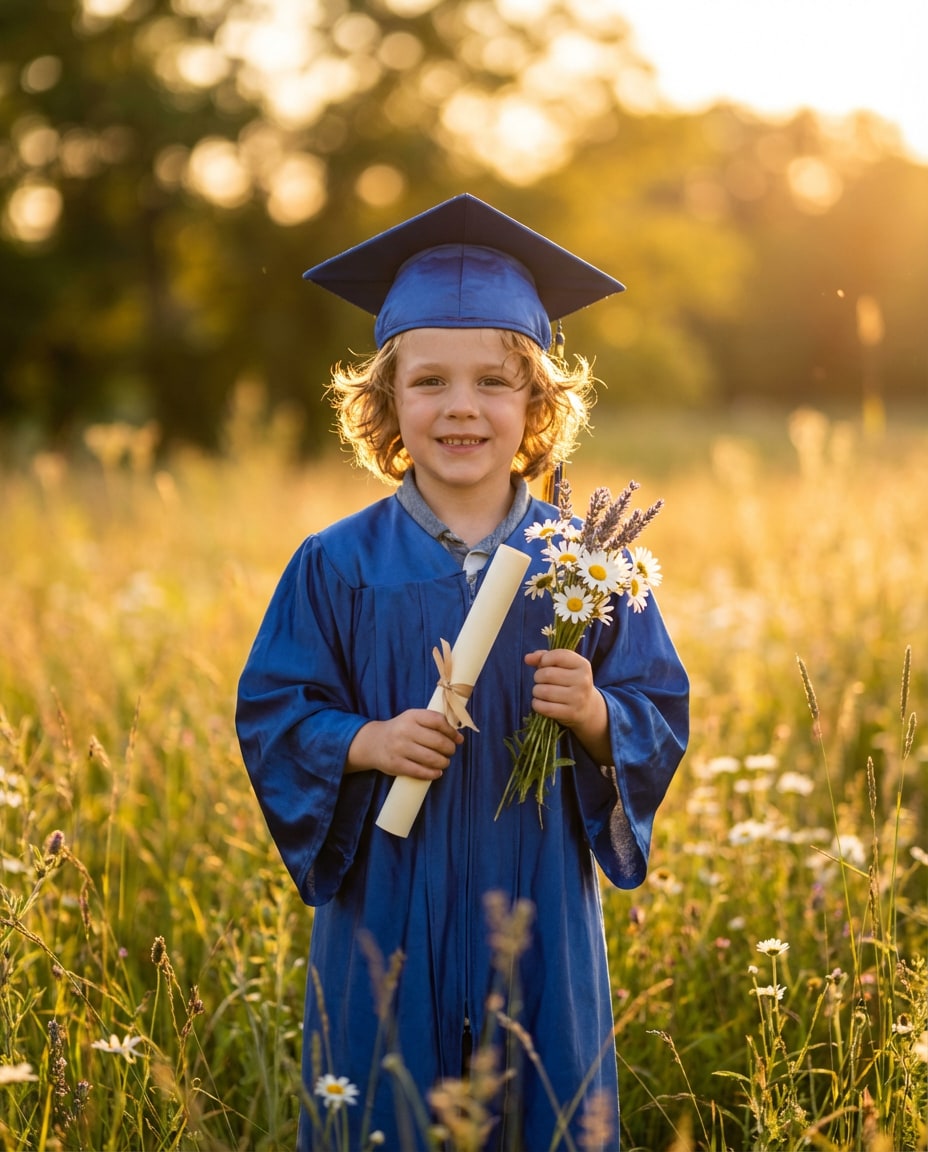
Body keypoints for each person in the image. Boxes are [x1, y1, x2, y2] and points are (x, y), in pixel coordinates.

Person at [236, 193, 689, 1151]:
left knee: (543, 1107)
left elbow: (661, 709)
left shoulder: (589, 567)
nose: (461, 407)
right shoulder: (337, 564)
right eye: (429, 381)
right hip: (385, 903)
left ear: (535, 402)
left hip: (538, 907)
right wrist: (365, 741)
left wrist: (599, 715)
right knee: (386, 1110)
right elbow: (274, 712)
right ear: (387, 403)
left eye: (493, 381)